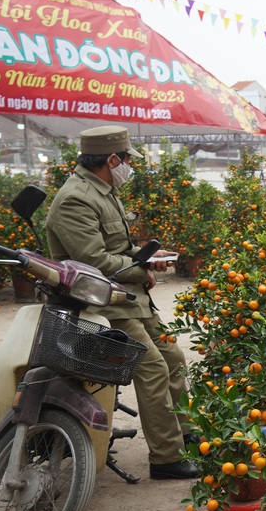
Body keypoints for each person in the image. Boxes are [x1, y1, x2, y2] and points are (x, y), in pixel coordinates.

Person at [46, 126, 198, 480]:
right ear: (112, 159)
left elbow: (116, 249)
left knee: (174, 358)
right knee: (153, 367)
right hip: (100, 304)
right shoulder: (76, 199)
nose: (129, 167)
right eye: (127, 160)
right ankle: (166, 457)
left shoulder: (104, 190)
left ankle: (189, 434)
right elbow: (94, 261)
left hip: (125, 298)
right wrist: (140, 269)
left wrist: (145, 255)